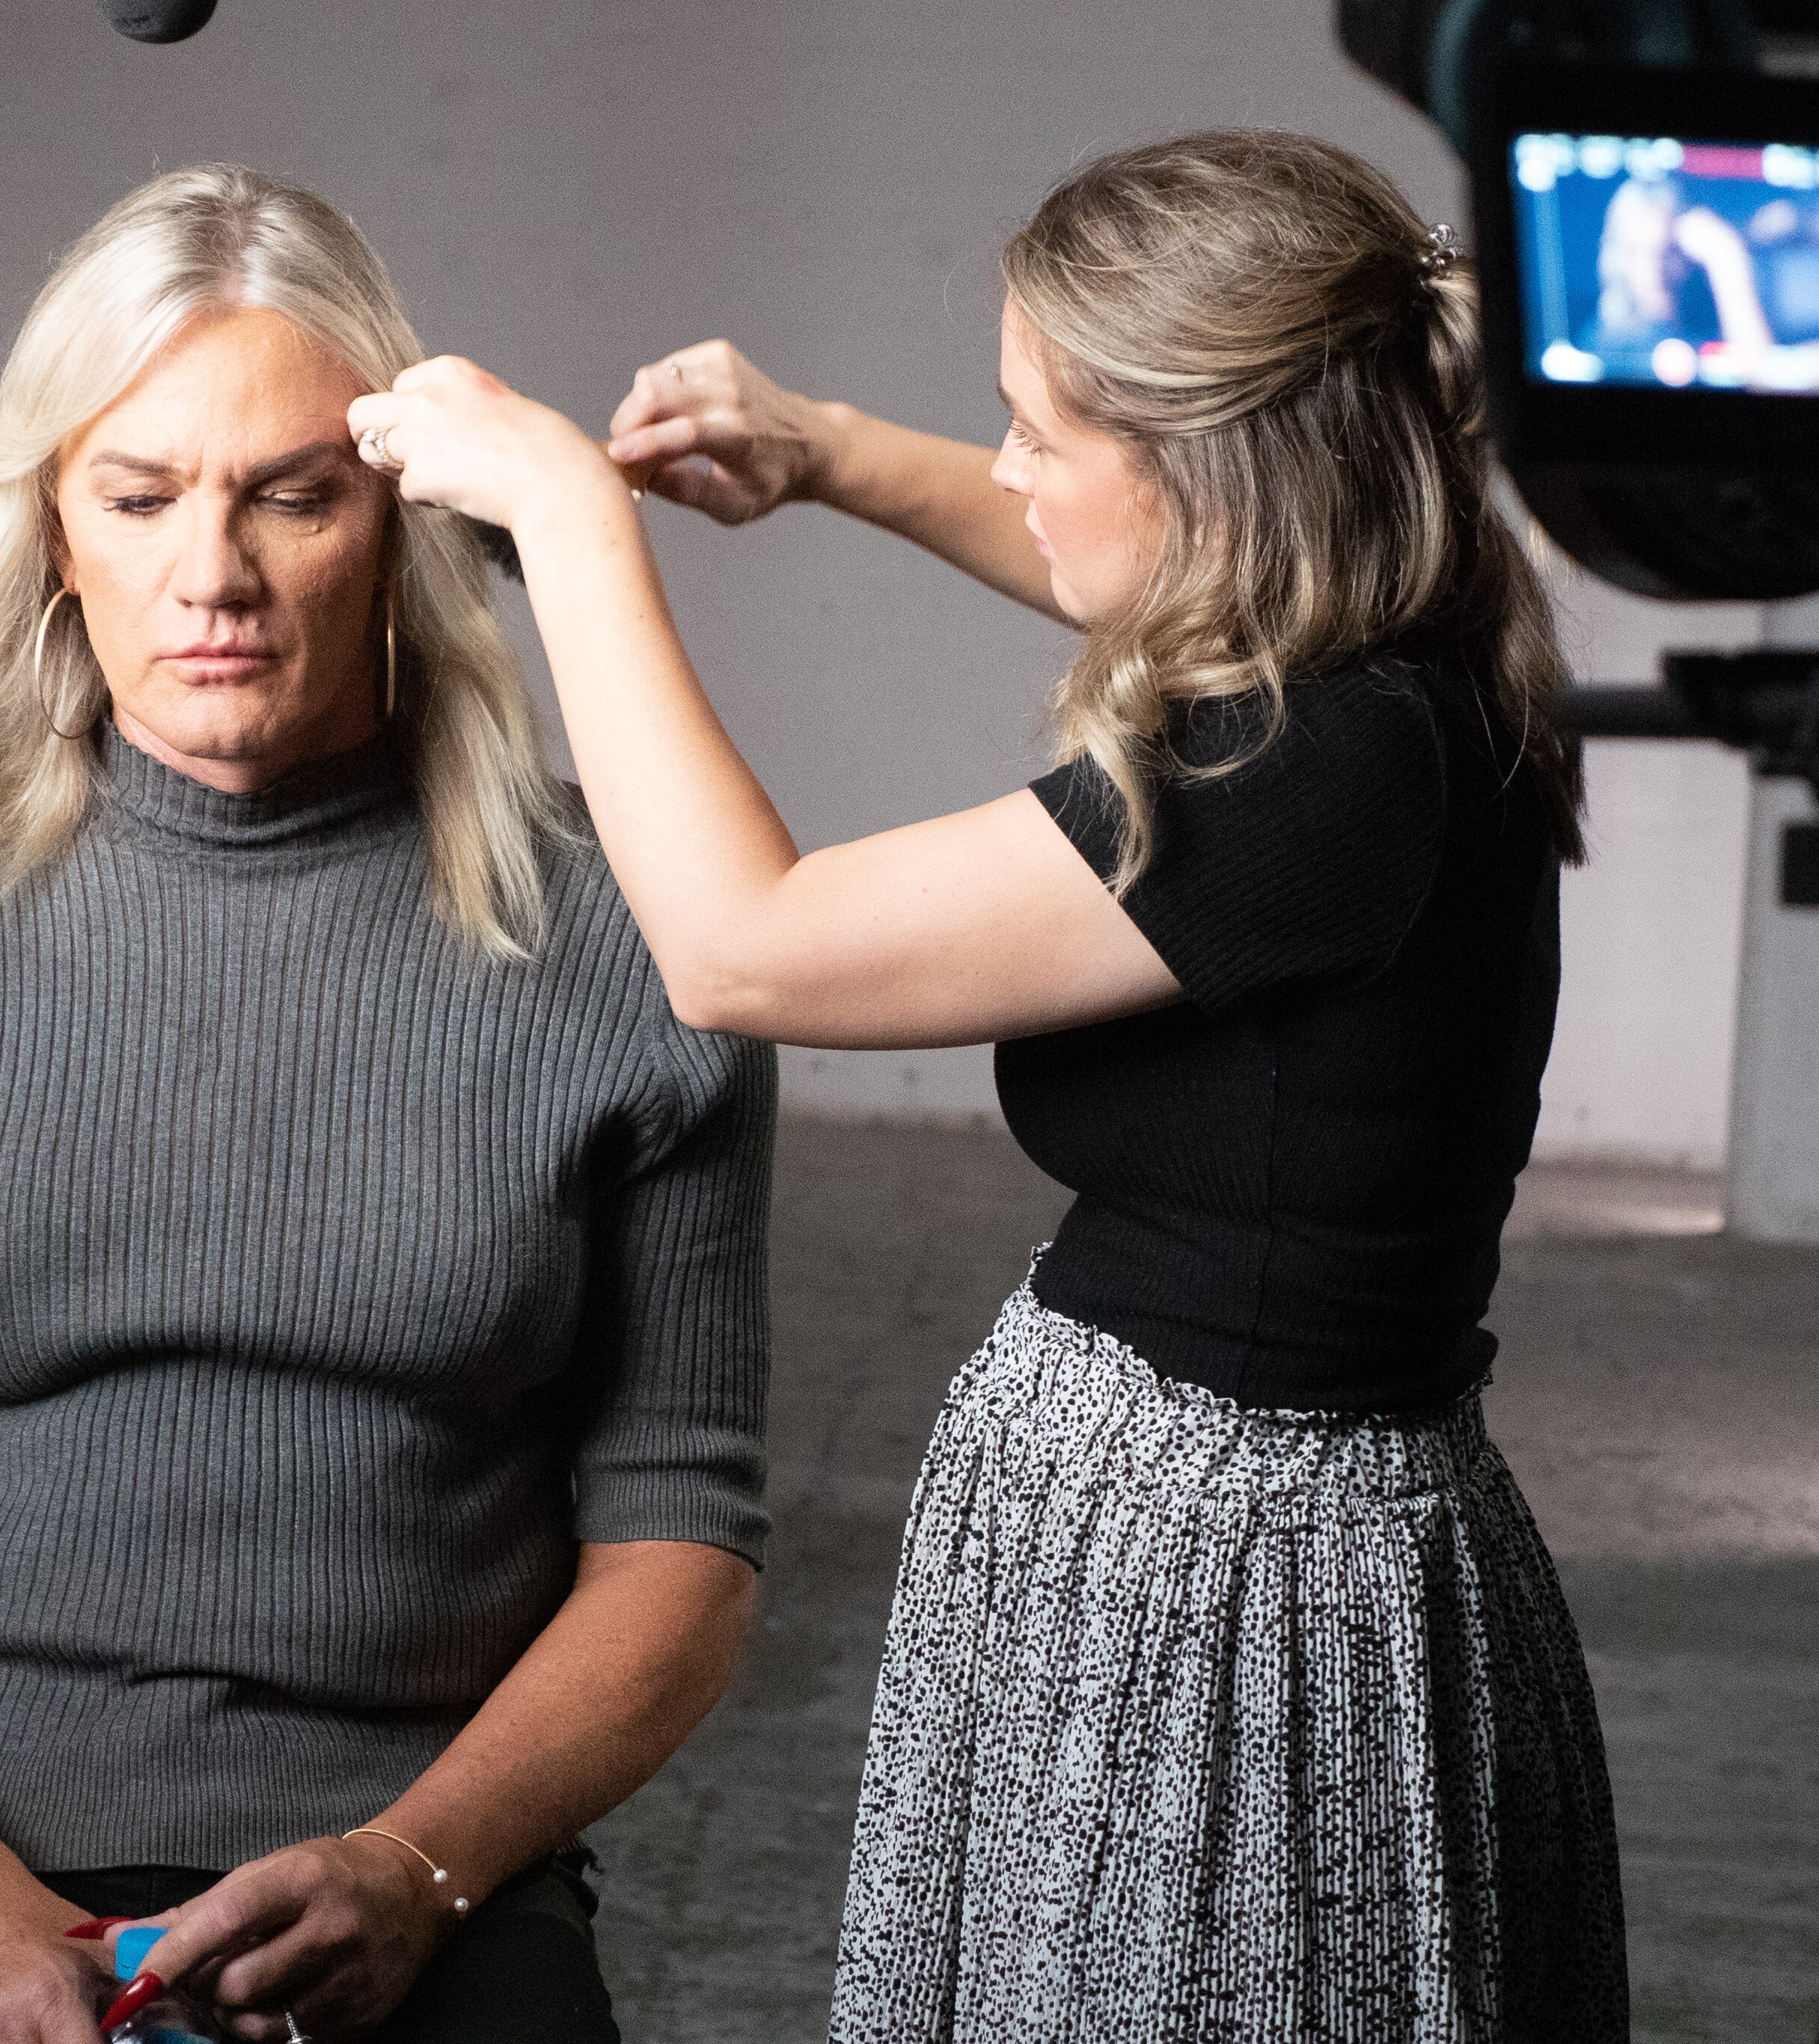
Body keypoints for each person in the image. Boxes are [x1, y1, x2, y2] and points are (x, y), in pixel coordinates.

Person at [346, 129, 1626, 2040]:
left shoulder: (1322, 778)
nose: (1008, 467)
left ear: (1204, 475)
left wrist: (567, 520)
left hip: (1226, 1595)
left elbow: (746, 944)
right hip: (1196, 1531)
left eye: (1036, 429)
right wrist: (829, 455)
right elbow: (1102, 560)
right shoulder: (1401, 625)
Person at [0, 165, 775, 2044]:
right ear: (53, 529)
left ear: (397, 523)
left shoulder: (643, 940)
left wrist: (411, 1870)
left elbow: (683, 1543)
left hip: (421, 1851)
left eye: (292, 497)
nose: (213, 575)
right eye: (140, 494)